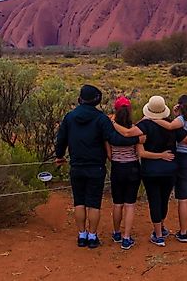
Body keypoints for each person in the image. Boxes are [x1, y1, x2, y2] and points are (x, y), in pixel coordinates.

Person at [55, 85, 140, 249]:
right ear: (97, 101)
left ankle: (81, 235)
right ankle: (92, 236)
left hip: (77, 165)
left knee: (79, 201)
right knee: (93, 203)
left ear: (80, 99)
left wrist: (59, 156)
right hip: (96, 167)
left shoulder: (70, 117)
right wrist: (136, 140)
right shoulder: (101, 119)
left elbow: (61, 139)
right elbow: (114, 139)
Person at [132, 95, 187, 247]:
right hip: (170, 169)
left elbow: (140, 151)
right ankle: (161, 227)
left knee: (154, 200)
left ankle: (158, 235)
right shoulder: (171, 125)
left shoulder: (143, 126)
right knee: (164, 199)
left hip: (150, 170)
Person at [150, 95, 187, 242]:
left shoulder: (180, 120)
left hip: (183, 159)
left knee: (182, 198)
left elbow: (169, 126)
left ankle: (183, 232)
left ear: (179, 105)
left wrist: (153, 119)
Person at [104, 96, 141, 250]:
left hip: (117, 168)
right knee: (130, 204)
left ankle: (117, 232)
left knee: (117, 203)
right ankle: (126, 238)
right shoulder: (135, 130)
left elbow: (110, 156)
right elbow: (139, 153)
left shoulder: (110, 131)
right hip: (132, 167)